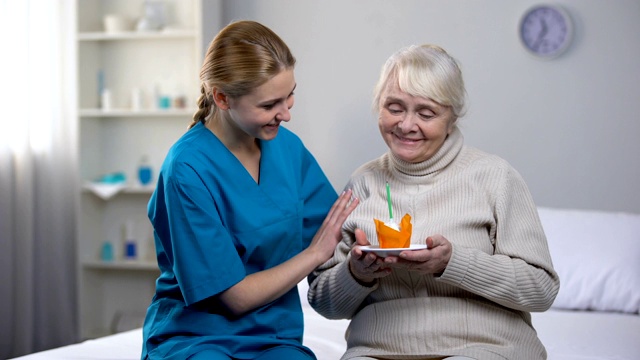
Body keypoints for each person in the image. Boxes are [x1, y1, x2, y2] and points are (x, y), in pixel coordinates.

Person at [308, 44, 560, 360]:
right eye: (394, 108)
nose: (406, 125)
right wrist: (357, 273)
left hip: (484, 347)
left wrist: (452, 262)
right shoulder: (362, 183)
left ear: (452, 117)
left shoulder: (494, 176)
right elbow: (322, 302)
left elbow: (541, 290)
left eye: (426, 113)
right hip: (377, 349)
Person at [141, 20, 359, 360]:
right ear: (222, 98)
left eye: (290, 96)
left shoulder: (287, 150)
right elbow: (234, 297)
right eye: (269, 105)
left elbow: (338, 234)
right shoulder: (186, 170)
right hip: (197, 339)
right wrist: (313, 254)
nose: (285, 114)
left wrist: (376, 251)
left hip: (274, 338)